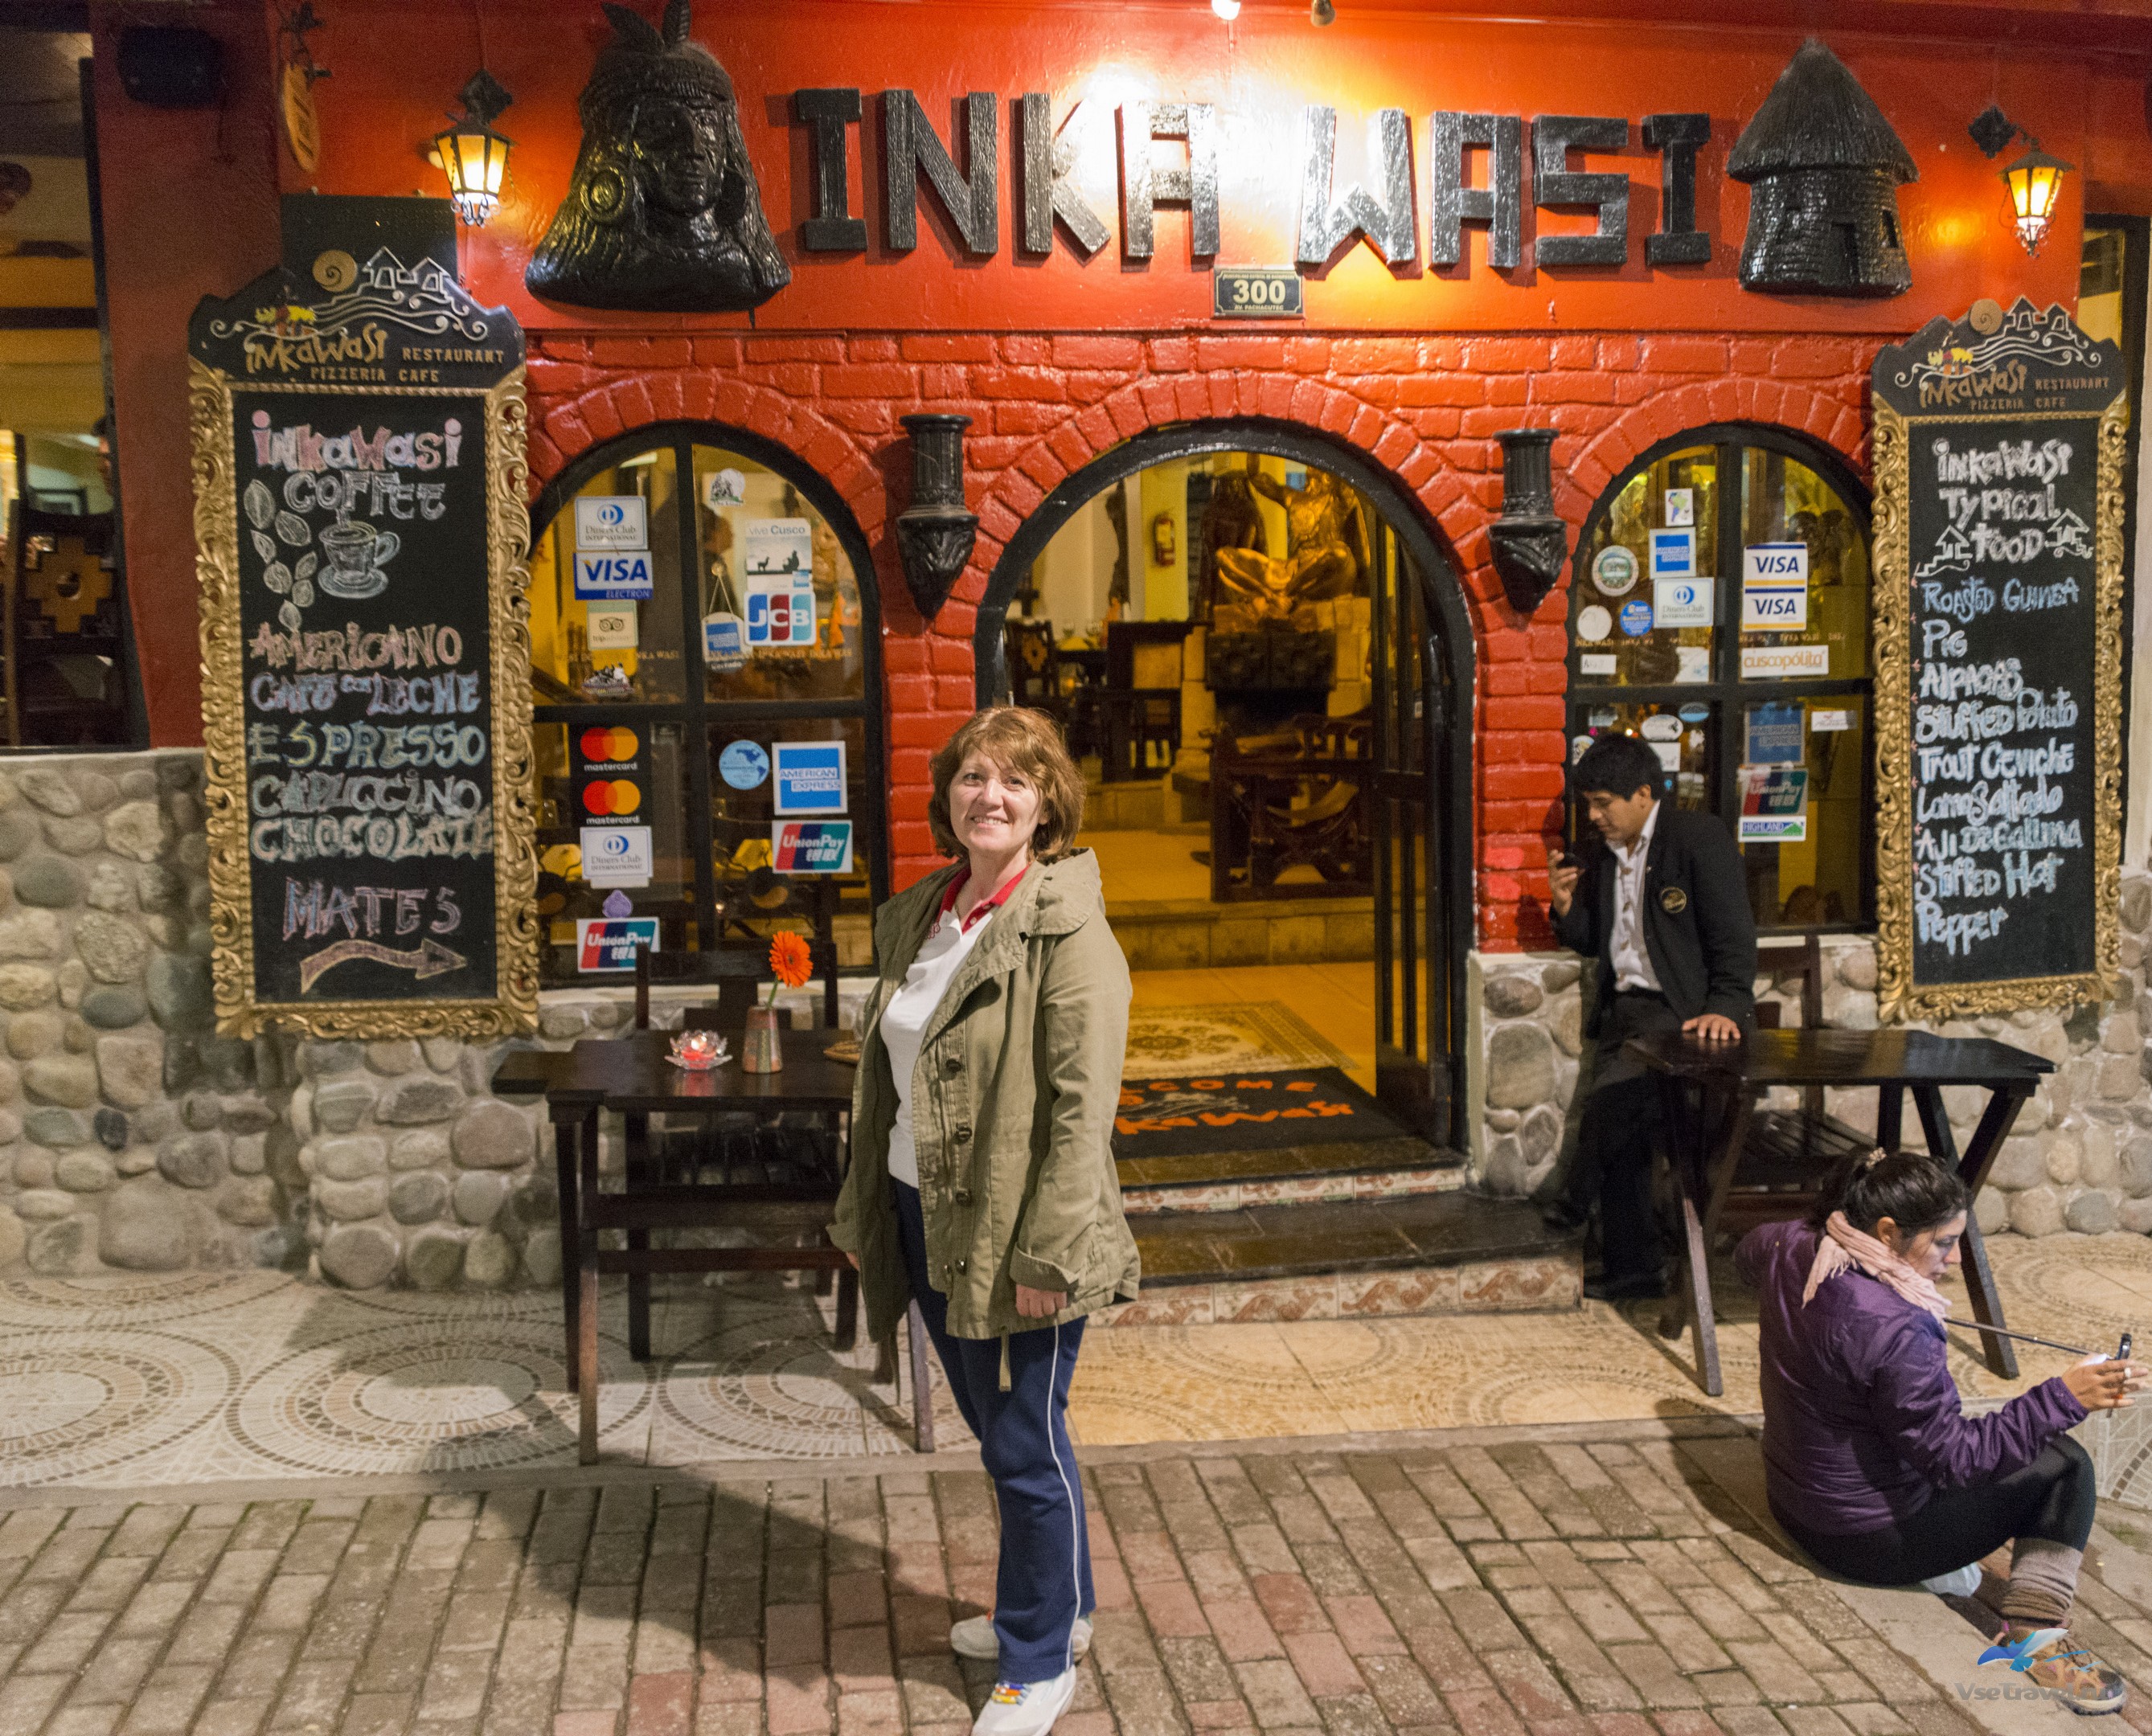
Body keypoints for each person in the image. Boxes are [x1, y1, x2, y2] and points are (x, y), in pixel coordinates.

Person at [830, 705, 1137, 1736]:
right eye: (972, 776)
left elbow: (1082, 1112)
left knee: (1019, 1440)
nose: (990, 796)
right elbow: (892, 1075)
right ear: (947, 796)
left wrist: (1048, 1253)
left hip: (1017, 1235)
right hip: (924, 1207)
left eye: (1015, 779)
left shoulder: (1067, 928)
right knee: (1012, 1430)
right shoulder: (927, 913)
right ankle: (1065, 1610)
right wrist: (869, 1205)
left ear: (1048, 803)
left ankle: (1037, 1662)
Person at [1737, 1149, 2142, 1713]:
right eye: (1943, 1243)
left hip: (1792, 1503)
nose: (1953, 1260)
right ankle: (2036, 1642)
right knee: (2066, 1467)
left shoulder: (1791, 1244)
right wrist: (2063, 1398)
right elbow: (1954, 1462)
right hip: (1862, 1543)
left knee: (2007, 1441)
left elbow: (1747, 1255)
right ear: (1887, 1232)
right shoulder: (1898, 1327)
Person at [1547, 731, 1756, 1300]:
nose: (1593, 816)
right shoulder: (1603, 854)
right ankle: (1634, 1271)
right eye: (1588, 804)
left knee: (1612, 1104)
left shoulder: (1695, 839)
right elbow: (1596, 940)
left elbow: (1735, 935)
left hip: (1681, 1015)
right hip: (1626, 1011)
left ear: (1643, 794)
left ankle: (1569, 1205)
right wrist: (1564, 909)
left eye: (1603, 803)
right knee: (1624, 1135)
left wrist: (1725, 1006)